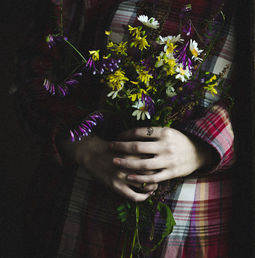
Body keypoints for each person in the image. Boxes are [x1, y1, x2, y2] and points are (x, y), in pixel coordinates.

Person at [15, 0, 235, 257]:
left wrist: (200, 149)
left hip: (192, 227)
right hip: (75, 218)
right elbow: (32, 75)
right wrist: (82, 144)